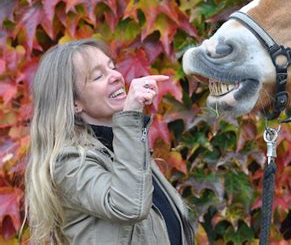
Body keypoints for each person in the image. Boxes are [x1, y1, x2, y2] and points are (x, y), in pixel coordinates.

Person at [24, 38, 194, 244]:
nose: (116, 76)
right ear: (74, 103)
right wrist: (131, 116)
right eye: (98, 76)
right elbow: (129, 206)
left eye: (112, 67)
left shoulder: (122, 144)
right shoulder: (68, 162)